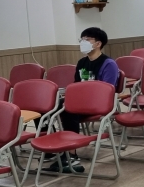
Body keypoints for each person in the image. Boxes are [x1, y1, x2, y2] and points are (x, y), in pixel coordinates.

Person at [49, 27, 119, 173]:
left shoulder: (108, 64)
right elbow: (76, 85)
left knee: (68, 109)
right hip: (82, 101)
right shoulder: (82, 62)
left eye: (87, 40)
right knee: (48, 106)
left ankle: (71, 155)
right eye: (81, 40)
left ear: (98, 44)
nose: (82, 43)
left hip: (98, 104)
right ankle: (52, 150)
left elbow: (107, 90)